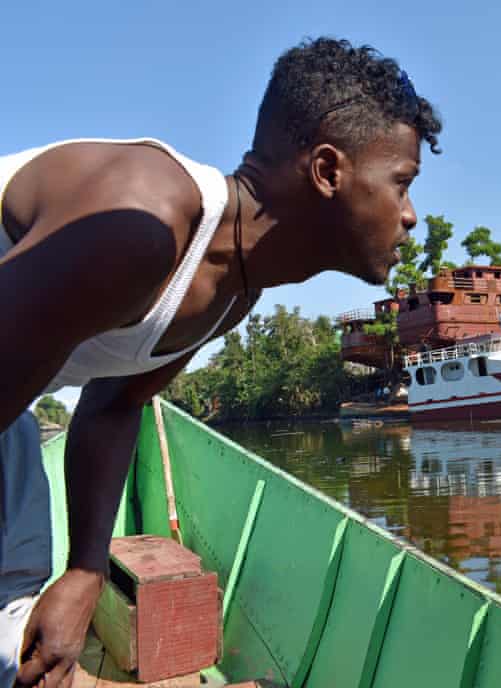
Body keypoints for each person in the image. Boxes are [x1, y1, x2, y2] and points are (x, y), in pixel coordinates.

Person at [0, 37, 441, 688]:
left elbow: (114, 403)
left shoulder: (231, 295)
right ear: (327, 171)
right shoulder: (140, 223)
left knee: (24, 623)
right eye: (401, 183)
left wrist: (86, 571)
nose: (409, 216)